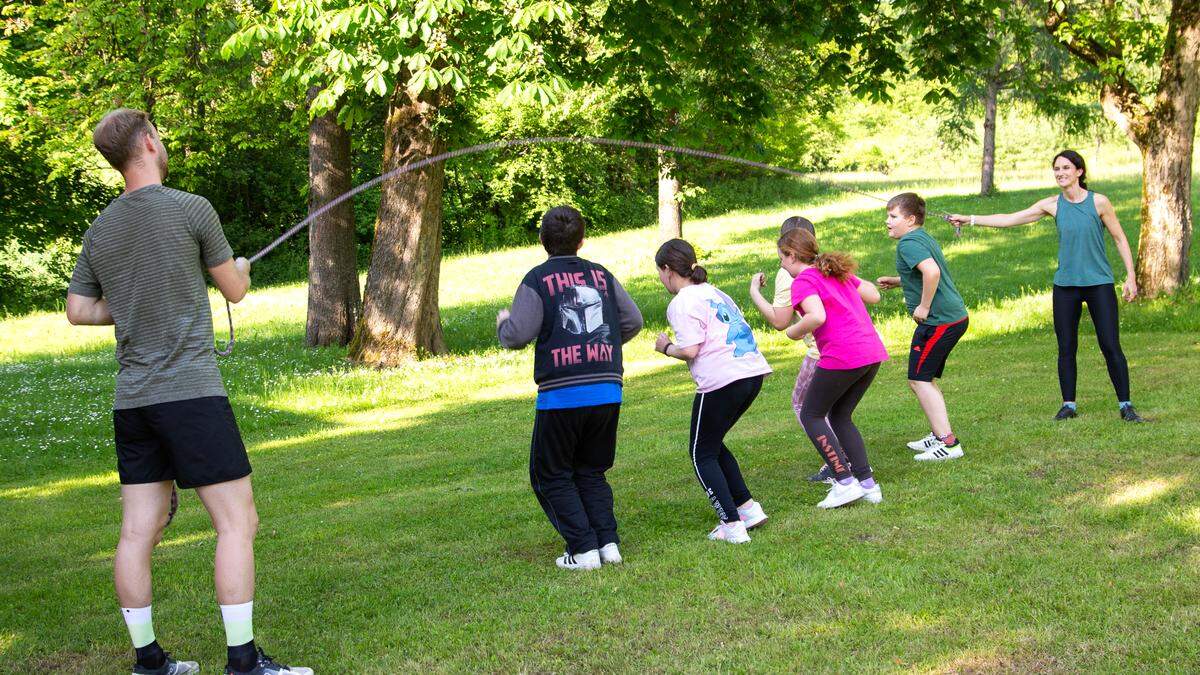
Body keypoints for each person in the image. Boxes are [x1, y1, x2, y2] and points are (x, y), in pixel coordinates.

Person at [66, 108, 312, 675]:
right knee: (237, 522)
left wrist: (130, 307)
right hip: (191, 395)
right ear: (149, 143)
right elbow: (235, 288)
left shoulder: (101, 228)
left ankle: (150, 663)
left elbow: (79, 311)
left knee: (136, 531)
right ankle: (244, 662)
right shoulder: (191, 208)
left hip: (133, 402)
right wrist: (242, 269)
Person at [497, 206, 643, 570]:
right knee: (591, 470)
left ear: (543, 241)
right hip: (608, 388)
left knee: (549, 473)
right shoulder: (602, 276)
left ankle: (583, 550)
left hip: (562, 395)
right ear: (581, 241)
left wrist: (504, 324)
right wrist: (599, 349)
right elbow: (633, 320)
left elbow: (518, 334)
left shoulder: (536, 279)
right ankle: (608, 544)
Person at [948, 150, 1144, 422]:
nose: (1060, 173)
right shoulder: (1052, 205)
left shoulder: (1099, 202)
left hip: (1099, 283)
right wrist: (969, 219)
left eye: (1066, 168)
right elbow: (1009, 219)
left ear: (1079, 172)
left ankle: (1126, 405)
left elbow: (1120, 239)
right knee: (1066, 347)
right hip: (1066, 286)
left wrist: (1131, 277)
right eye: (1056, 169)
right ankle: (1069, 405)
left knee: (1110, 345)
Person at [756, 229, 888, 507]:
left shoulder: (803, 280)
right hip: (870, 352)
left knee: (811, 414)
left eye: (782, 258)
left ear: (792, 255)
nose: (781, 264)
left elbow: (817, 316)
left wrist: (793, 332)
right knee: (840, 415)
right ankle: (868, 484)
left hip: (843, 355)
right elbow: (874, 295)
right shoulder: (833, 271)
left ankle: (844, 481)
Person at [653, 238, 772, 543]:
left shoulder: (681, 302)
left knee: (700, 453)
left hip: (723, 380)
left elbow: (690, 350)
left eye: (659, 272)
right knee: (713, 444)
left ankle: (731, 525)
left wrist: (666, 347)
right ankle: (748, 509)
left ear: (668, 270)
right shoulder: (713, 291)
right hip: (751, 373)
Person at [877, 193, 970, 461]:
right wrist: (899, 281)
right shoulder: (921, 237)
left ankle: (949, 443)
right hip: (951, 317)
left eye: (893, 217)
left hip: (939, 320)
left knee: (919, 379)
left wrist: (924, 307)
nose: (888, 221)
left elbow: (932, 272)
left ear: (910, 219)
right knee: (922, 379)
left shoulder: (908, 243)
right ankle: (938, 433)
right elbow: (923, 271)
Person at [747, 216, 833, 484]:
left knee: (804, 405)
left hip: (821, 351)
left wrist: (754, 293)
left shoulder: (788, 274)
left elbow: (780, 321)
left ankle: (837, 462)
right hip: (842, 346)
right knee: (830, 409)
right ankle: (845, 459)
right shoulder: (824, 263)